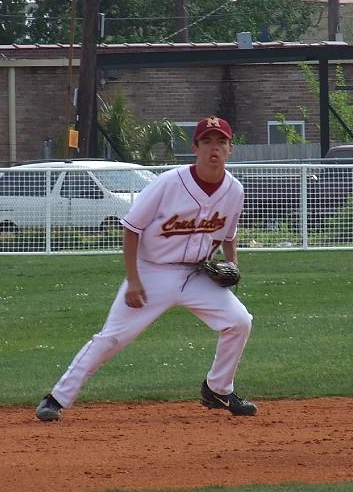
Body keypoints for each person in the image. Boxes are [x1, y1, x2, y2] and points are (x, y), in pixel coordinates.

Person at [36, 116, 257, 421]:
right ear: (195, 147)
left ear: (230, 149)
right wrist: (134, 280)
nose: (214, 148)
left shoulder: (234, 190)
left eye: (221, 142)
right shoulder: (169, 182)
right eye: (207, 141)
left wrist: (232, 266)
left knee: (239, 321)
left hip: (197, 274)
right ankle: (56, 399)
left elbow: (228, 235)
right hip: (153, 272)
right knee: (112, 338)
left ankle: (218, 389)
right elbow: (131, 228)